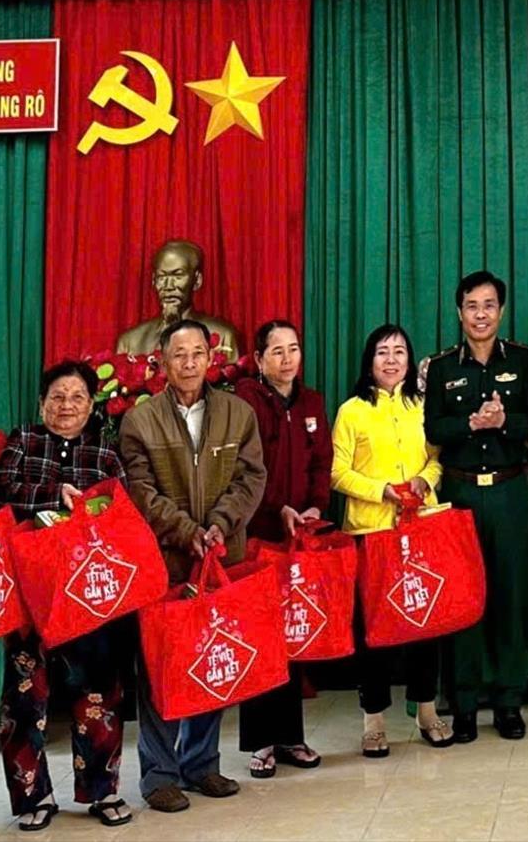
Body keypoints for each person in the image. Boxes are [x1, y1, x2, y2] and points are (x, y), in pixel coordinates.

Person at [118, 321, 266, 813]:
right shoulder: (139, 421)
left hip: (219, 558)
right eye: (178, 354)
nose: (188, 363)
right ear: (162, 360)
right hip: (165, 562)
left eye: (197, 353)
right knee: (160, 667)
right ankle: (159, 774)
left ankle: (201, 763)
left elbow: (251, 478)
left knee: (212, 657)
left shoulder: (238, 414)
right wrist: (187, 532)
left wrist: (220, 525)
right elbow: (141, 491)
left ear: (211, 357)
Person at [0, 361, 132, 829]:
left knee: (98, 690)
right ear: (41, 403)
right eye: (57, 396)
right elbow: (3, 491)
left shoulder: (105, 450)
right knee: (25, 695)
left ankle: (102, 791)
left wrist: (90, 508)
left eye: (77, 397)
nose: (66, 405)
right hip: (30, 591)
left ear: (91, 406)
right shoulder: (23, 440)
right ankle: (33, 796)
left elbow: (121, 507)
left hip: (88, 590)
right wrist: (56, 495)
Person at [422, 273, 528, 743]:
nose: (481, 314)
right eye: (472, 306)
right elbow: (432, 428)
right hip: (460, 493)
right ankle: (464, 704)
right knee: (465, 600)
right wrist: (470, 423)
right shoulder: (441, 367)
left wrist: (504, 421)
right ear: (459, 312)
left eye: (489, 305)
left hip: (509, 491)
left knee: (509, 597)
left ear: (501, 311)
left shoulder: (524, 361)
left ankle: (509, 703)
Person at [331, 324, 453, 756]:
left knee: (425, 622)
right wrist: (381, 490)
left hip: (420, 528)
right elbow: (338, 473)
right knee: (374, 630)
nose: (391, 359)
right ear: (370, 361)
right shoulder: (352, 411)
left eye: (400, 351)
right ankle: (374, 721)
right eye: (382, 351)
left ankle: (426, 712)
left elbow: (438, 459)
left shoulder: (423, 406)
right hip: (372, 531)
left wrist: (424, 479)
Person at [234, 320, 331, 774]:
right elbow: (245, 469)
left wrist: (315, 507)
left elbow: (322, 462)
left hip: (301, 537)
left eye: (293, 349)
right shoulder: (246, 400)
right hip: (259, 533)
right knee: (262, 636)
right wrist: (278, 509)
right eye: (277, 351)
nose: (287, 359)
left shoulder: (311, 401)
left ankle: (291, 737)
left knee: (294, 633)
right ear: (258, 359)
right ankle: (262, 743)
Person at [114, 240, 242, 359]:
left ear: (197, 280)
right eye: (162, 277)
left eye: (178, 276)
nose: (169, 286)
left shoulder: (222, 336)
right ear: (153, 281)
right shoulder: (130, 342)